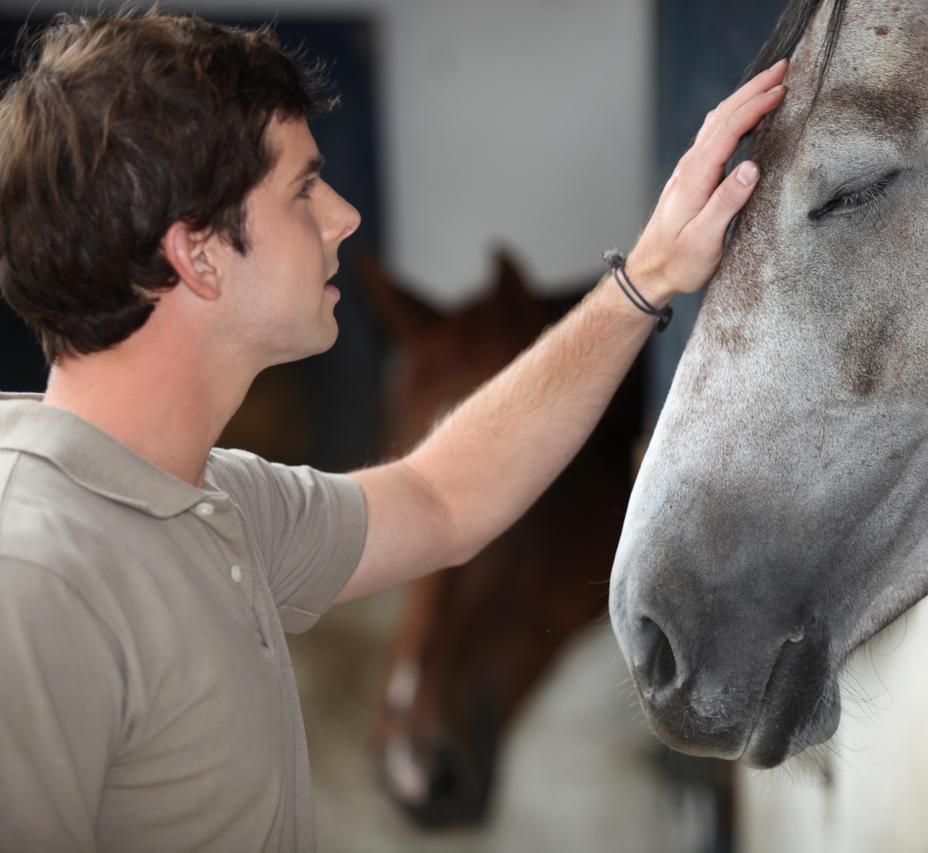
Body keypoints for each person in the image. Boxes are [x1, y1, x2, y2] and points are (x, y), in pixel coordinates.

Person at [0, 9, 785, 852]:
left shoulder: (216, 502)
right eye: (303, 188)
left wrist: (652, 273)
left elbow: (442, 496)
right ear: (198, 254)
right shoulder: (34, 573)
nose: (342, 216)